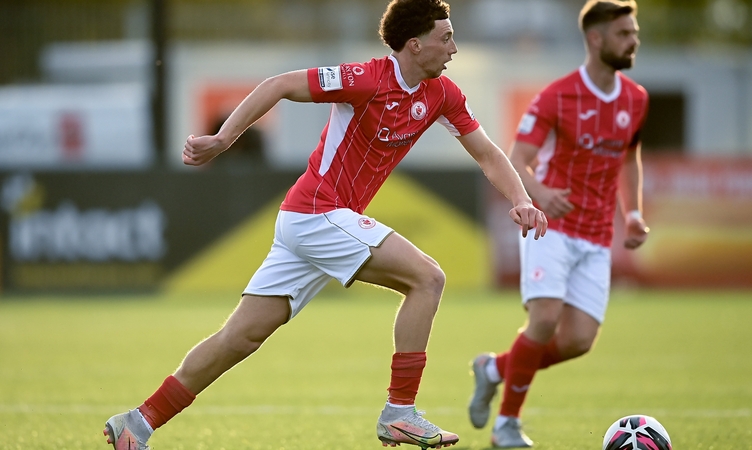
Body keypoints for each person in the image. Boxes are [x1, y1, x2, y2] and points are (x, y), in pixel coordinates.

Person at [102, 1, 547, 449]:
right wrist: (222, 140)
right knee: (428, 279)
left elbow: (488, 154)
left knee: (240, 337)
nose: (453, 47)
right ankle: (399, 412)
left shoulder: (442, 94)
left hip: (317, 222)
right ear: (415, 45)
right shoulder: (366, 79)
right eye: (445, 37)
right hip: (318, 212)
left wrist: (522, 200)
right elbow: (279, 85)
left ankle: (137, 423)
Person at [467, 1, 649, 447]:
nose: (633, 40)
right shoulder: (557, 96)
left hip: (595, 235)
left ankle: (492, 369)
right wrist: (540, 194)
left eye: (634, 31)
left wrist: (635, 212)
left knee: (578, 342)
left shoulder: (636, 99)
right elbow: (518, 159)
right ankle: (507, 425)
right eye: (624, 33)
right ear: (596, 39)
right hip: (551, 228)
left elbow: (630, 159)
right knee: (545, 320)